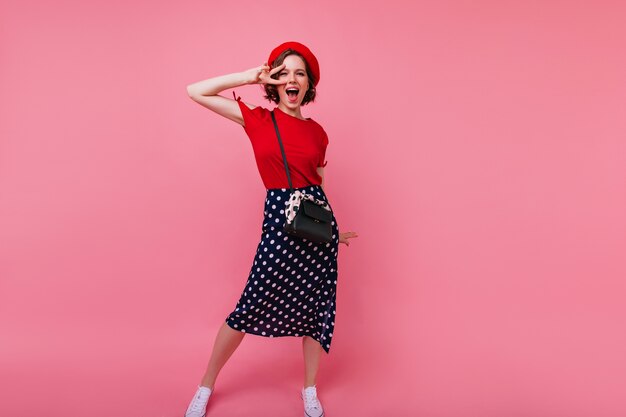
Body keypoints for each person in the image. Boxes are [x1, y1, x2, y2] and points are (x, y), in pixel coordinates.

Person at [184, 41, 358, 417]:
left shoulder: (318, 132)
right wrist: (249, 76)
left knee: (317, 309)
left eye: (301, 73)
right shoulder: (259, 120)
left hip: (315, 230)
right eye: (285, 73)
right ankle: (205, 385)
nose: (293, 79)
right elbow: (195, 91)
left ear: (308, 85)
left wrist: (332, 231)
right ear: (275, 82)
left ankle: (309, 388)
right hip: (279, 221)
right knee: (248, 307)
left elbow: (319, 184)